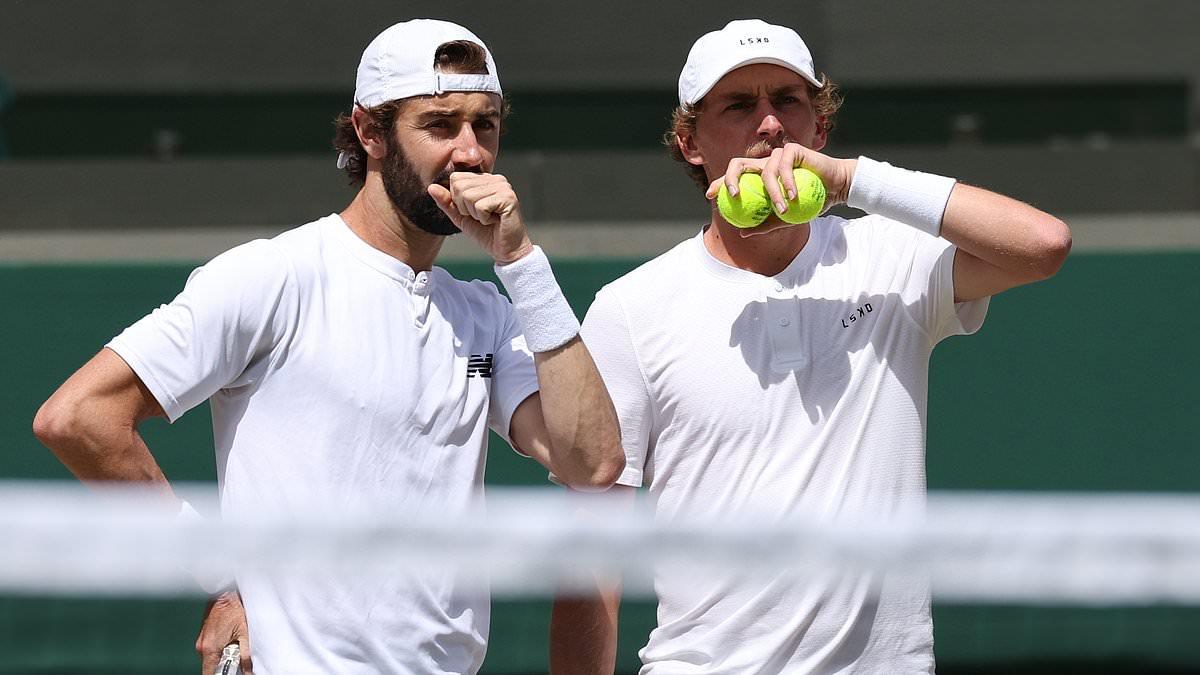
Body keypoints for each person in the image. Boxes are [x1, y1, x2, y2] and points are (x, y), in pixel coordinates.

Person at [32, 19, 624, 675]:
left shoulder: (487, 313)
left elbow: (593, 465)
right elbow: (78, 416)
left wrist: (520, 259)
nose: (470, 152)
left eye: (484, 125)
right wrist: (215, 576)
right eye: (440, 124)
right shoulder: (273, 277)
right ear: (370, 131)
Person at [549, 19, 1071, 674]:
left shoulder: (891, 257)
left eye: (788, 101)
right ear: (689, 142)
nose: (770, 125)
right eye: (739, 106)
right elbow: (594, 546)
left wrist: (851, 181)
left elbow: (1043, 244)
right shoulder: (630, 308)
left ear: (818, 130)